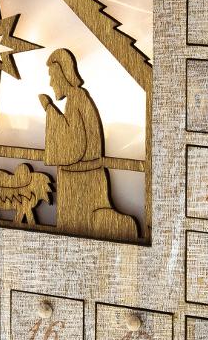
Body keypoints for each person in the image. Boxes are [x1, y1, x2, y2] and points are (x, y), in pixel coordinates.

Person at [39, 49, 137, 241]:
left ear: (62, 74)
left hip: (82, 182)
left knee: (80, 227)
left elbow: (75, 143)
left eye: (52, 76)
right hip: (77, 179)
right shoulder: (75, 99)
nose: (51, 83)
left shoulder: (78, 98)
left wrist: (49, 108)